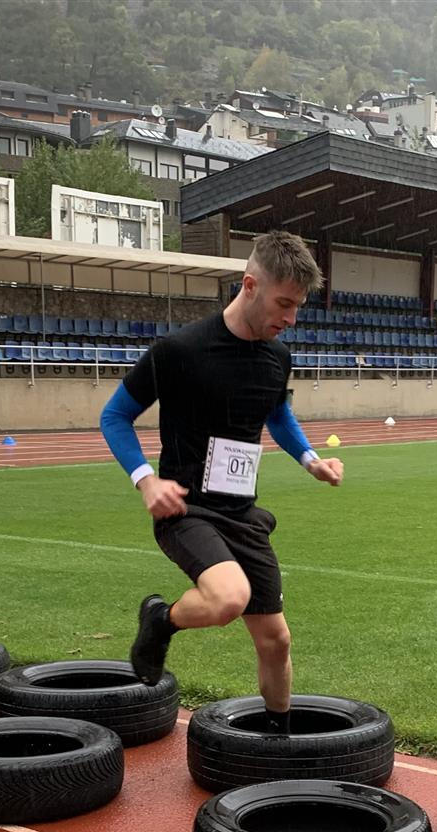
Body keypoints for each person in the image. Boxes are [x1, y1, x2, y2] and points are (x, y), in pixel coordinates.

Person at [99, 230, 342, 733]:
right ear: (250, 285)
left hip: (242, 514)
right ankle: (161, 620)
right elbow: (115, 416)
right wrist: (146, 481)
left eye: (298, 307)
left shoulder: (277, 357)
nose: (291, 318)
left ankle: (278, 736)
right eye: (284, 304)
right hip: (186, 511)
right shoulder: (179, 351)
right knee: (229, 597)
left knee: (276, 640)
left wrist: (309, 458)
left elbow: (276, 414)